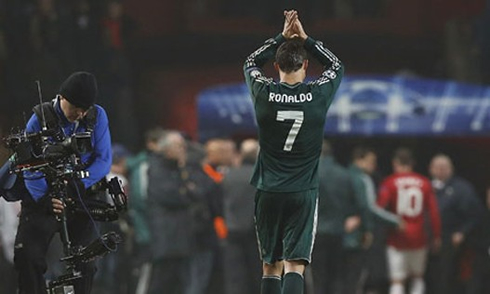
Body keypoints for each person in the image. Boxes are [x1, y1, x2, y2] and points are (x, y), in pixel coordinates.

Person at [243, 10, 344, 294]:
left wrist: (281, 37)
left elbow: (250, 62)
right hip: (302, 191)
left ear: (276, 66)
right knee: (294, 265)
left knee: (270, 265)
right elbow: (337, 66)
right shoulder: (317, 96)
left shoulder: (263, 94)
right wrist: (306, 38)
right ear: (306, 65)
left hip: (268, 189)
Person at [14, 71, 112, 294]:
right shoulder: (38, 119)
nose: (81, 113)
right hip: (46, 192)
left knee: (86, 261)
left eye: (85, 108)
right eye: (77, 107)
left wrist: (79, 183)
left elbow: (104, 159)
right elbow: (29, 166)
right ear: (62, 97)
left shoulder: (97, 116)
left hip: (82, 193)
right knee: (27, 255)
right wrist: (45, 198)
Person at [377, 148, 441, 294]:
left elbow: (379, 208)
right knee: (417, 277)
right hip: (419, 237)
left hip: (397, 237)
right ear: (412, 163)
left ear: (395, 163)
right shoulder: (425, 183)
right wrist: (436, 236)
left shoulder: (389, 182)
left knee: (397, 280)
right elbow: (434, 213)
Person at [427, 154, 483, 294]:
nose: (441, 170)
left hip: (450, 238)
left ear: (451, 169)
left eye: (444, 167)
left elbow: (475, 215)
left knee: (445, 276)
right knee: (424, 275)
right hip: (425, 239)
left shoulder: (462, 188)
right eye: (437, 167)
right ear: (430, 169)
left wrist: (462, 232)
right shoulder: (424, 185)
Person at [146, 131, 193, 294]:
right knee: (162, 281)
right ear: (167, 149)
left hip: (179, 235)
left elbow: (195, 192)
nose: (183, 149)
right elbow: (172, 195)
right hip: (166, 236)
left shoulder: (178, 168)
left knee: (178, 282)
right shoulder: (157, 167)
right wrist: (185, 193)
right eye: (179, 146)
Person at [311, 140, 357, 294]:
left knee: (318, 277)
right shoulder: (344, 174)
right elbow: (354, 204)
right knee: (337, 275)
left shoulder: (308, 173)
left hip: (315, 232)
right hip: (338, 231)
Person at [222, 139, 261, 294]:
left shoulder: (229, 175)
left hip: (233, 230)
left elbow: (218, 201)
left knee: (236, 276)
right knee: (258, 275)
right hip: (256, 233)